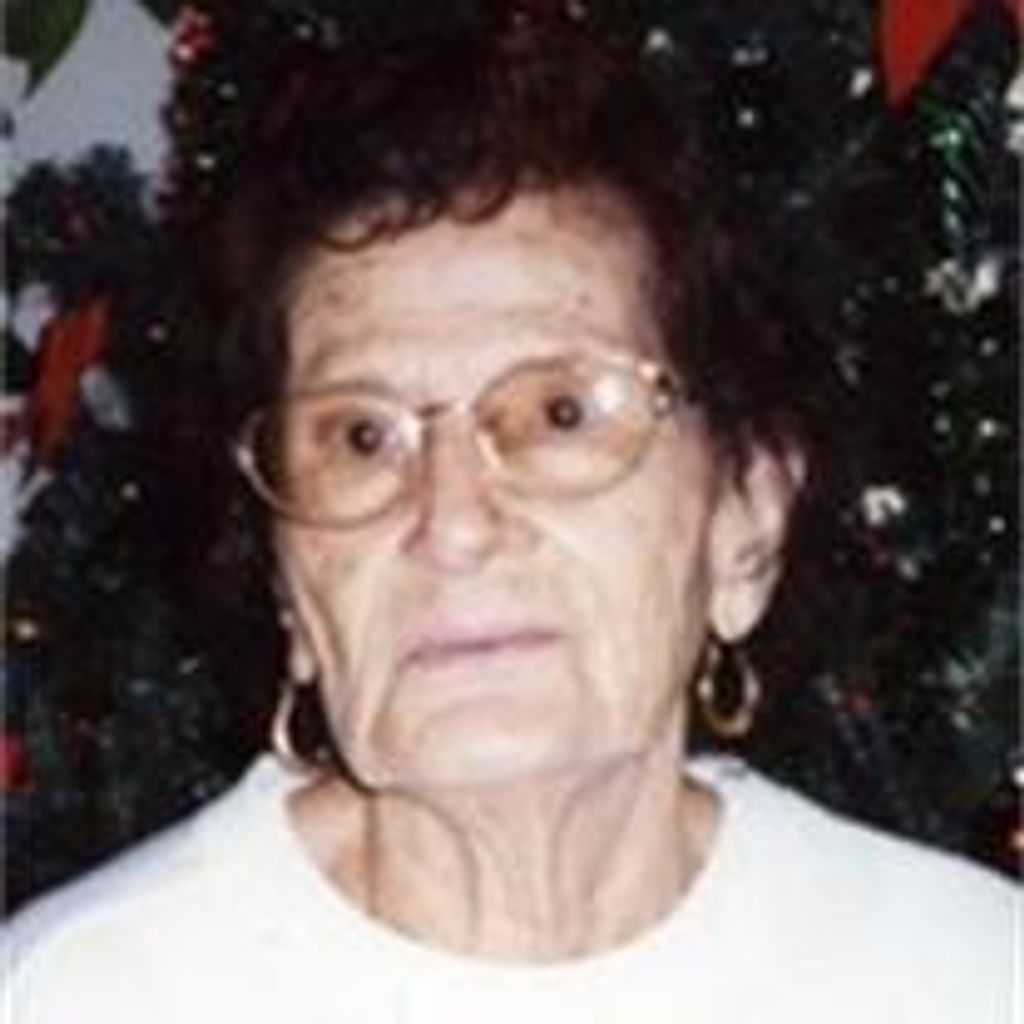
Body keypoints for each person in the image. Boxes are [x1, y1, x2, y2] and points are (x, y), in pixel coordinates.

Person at [4, 5, 1016, 1022]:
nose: (453, 523)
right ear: (286, 577)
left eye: (560, 413)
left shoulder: (964, 974)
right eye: (361, 437)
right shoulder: (81, 993)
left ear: (744, 522)